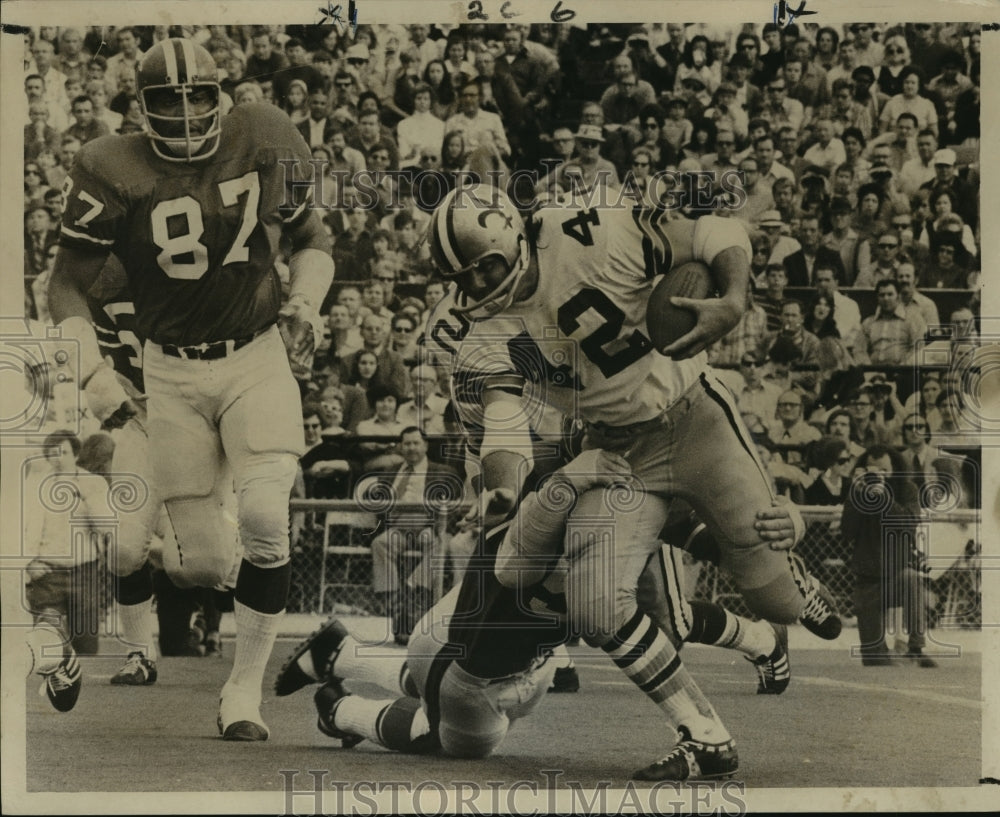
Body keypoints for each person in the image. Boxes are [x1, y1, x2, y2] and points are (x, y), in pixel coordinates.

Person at [421, 183, 840, 780]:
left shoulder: (585, 228)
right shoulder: (485, 332)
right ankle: (704, 735)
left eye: (478, 272)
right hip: (616, 451)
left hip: (696, 419)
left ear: (509, 240)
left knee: (776, 602)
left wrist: (733, 297)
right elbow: (505, 430)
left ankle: (790, 576)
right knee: (596, 605)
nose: (471, 290)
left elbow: (712, 232)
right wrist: (503, 491)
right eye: (459, 279)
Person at [48, 39, 335, 742]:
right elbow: (65, 286)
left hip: (255, 354)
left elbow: (313, 236)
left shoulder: (263, 132)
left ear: (222, 93)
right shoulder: (109, 164)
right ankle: (259, 599)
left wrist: (306, 302)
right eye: (167, 98)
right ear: (139, 106)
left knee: (268, 514)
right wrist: (95, 378)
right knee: (199, 563)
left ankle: (244, 692)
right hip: (170, 374)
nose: (184, 110)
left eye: (197, 94)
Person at [274, 449, 800, 763]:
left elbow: (712, 539)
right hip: (478, 669)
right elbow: (664, 609)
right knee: (445, 737)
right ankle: (341, 709)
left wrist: (786, 522)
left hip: (458, 634)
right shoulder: (560, 536)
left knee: (427, 676)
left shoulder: (563, 504)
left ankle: (341, 654)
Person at [355, 425, 461, 643]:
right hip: (398, 529)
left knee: (438, 544)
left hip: (427, 527)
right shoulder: (390, 473)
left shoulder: (443, 472)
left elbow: (454, 508)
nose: (411, 447)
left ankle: (413, 595)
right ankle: (395, 605)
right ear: (401, 447)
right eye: (407, 443)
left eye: (416, 443)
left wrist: (439, 528)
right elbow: (379, 509)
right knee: (379, 543)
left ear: (425, 446)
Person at [840, 445, 937, 667]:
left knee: (912, 578)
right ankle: (885, 652)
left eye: (883, 471)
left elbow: (908, 524)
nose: (877, 476)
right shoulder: (858, 492)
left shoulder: (907, 489)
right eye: (873, 471)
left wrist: (885, 499)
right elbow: (847, 532)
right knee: (875, 661)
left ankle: (915, 646)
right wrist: (855, 493)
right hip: (867, 582)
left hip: (896, 575)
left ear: (895, 469)